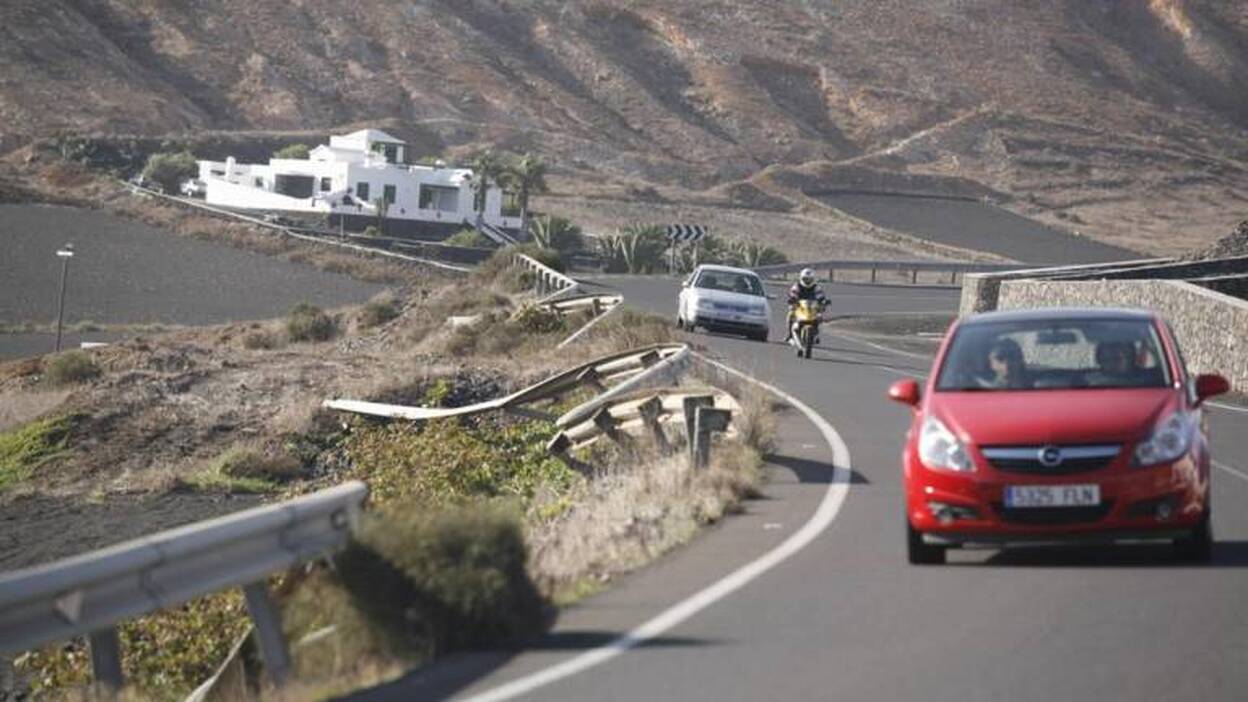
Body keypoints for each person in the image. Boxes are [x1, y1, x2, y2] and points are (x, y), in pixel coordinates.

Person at [785, 268, 828, 342]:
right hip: (799, 306)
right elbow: (793, 293)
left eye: (809, 279)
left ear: (813, 279)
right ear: (801, 278)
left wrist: (823, 301)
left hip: (812, 306)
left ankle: (816, 333)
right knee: (790, 314)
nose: (807, 281)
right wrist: (792, 299)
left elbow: (820, 295)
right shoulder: (797, 286)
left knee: (819, 315)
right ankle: (789, 334)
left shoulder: (816, 287)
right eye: (805, 279)